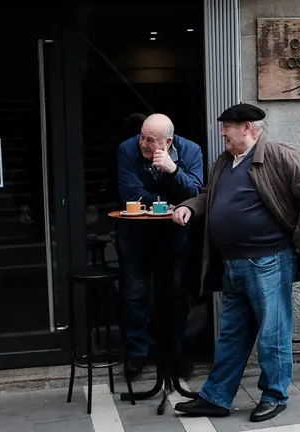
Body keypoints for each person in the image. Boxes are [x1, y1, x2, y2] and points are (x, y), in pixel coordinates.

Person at [171, 103, 300, 423]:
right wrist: (190, 207)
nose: (222, 133)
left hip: (270, 260)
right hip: (233, 264)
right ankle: (217, 397)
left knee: (272, 333)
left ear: (247, 127)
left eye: (227, 128)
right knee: (232, 333)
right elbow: (210, 196)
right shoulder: (225, 161)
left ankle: (275, 394)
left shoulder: (277, 155)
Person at [116, 113, 204, 379]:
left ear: (168, 142)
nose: (143, 143)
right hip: (136, 235)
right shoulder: (127, 150)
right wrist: (169, 202)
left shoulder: (190, 151)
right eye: (142, 136)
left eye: (151, 140)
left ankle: (175, 354)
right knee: (135, 294)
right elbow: (131, 194)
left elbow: (196, 194)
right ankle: (137, 354)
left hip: (176, 235)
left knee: (177, 295)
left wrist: (173, 170)